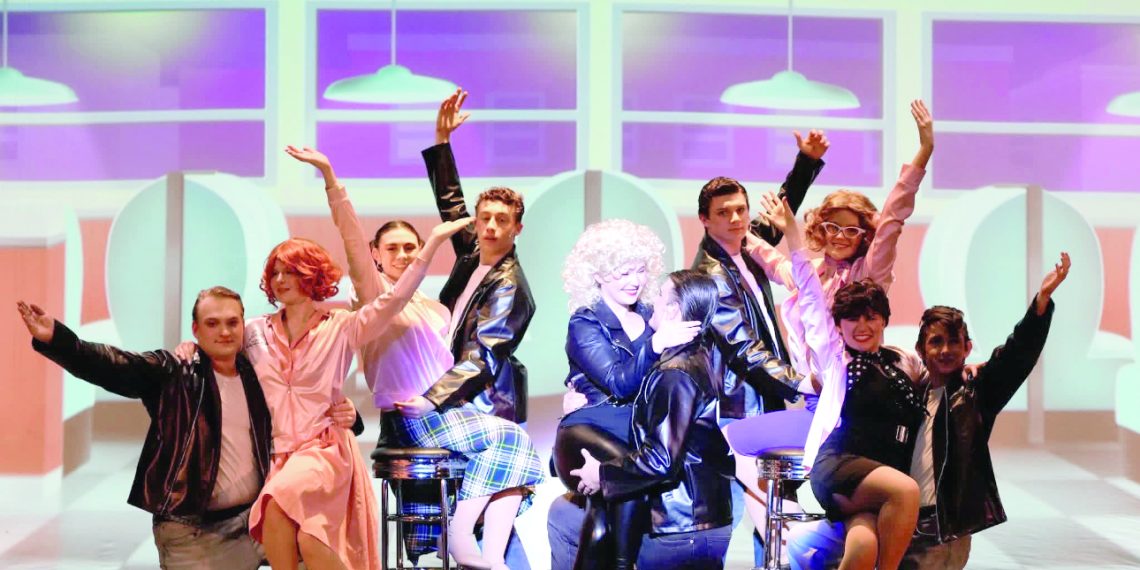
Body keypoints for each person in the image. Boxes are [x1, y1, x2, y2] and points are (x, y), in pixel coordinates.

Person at [287, 145, 542, 570]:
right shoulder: (375, 297)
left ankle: (493, 559)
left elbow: (473, 350)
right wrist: (331, 178)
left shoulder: (432, 305)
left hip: (444, 412)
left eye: (411, 247)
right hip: (413, 415)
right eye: (392, 248)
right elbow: (350, 236)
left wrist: (443, 144)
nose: (403, 255)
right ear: (376, 254)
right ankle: (461, 536)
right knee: (511, 441)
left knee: (514, 457)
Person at [17, 288, 359, 570]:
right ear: (196, 330)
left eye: (232, 322)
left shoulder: (257, 371)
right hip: (194, 533)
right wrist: (58, 340)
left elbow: (305, 407)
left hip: (254, 520)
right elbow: (115, 365)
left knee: (323, 551)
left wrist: (351, 416)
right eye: (212, 323)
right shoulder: (174, 372)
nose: (224, 331)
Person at [786, 254, 1070, 570]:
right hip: (891, 516)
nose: (945, 350)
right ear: (921, 350)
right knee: (817, 545)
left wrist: (1040, 306)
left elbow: (1015, 358)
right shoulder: (909, 389)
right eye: (936, 342)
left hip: (939, 530)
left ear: (967, 348)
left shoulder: (972, 395)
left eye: (954, 342)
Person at [392, 88, 537, 568]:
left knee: (493, 497)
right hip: (453, 393)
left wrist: (431, 397)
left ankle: (484, 554)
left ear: (517, 228)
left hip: (482, 398)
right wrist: (441, 143)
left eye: (502, 220)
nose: (490, 226)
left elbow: (483, 356)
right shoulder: (474, 252)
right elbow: (451, 206)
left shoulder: (511, 285)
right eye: (485, 218)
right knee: (482, 504)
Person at [691, 129, 828, 563]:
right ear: (705, 220)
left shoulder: (746, 244)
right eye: (724, 213)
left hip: (762, 391)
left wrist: (806, 161)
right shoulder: (711, 274)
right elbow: (743, 347)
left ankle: (780, 559)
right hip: (736, 399)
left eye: (741, 210)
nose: (736, 218)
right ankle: (786, 559)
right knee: (761, 493)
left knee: (771, 495)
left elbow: (781, 210)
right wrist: (802, 382)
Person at [745, 99, 934, 382]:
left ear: (865, 235)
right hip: (811, 389)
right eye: (833, 227)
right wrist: (732, 228)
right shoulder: (814, 271)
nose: (840, 236)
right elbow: (772, 261)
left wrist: (924, 150)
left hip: (859, 385)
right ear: (821, 229)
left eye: (851, 230)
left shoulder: (869, 272)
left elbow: (892, 220)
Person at [550, 219, 699, 570]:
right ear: (598, 275)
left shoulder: (651, 314)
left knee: (602, 522)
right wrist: (656, 344)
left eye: (641, 270)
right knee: (627, 477)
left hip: (633, 429)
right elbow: (617, 382)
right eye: (623, 273)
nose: (635, 281)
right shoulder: (585, 322)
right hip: (588, 431)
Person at [571, 270, 735, 570]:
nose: (652, 301)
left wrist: (602, 474)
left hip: (681, 526)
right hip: (701, 522)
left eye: (660, 295)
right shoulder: (700, 356)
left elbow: (661, 459)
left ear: (673, 310)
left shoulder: (675, 372)